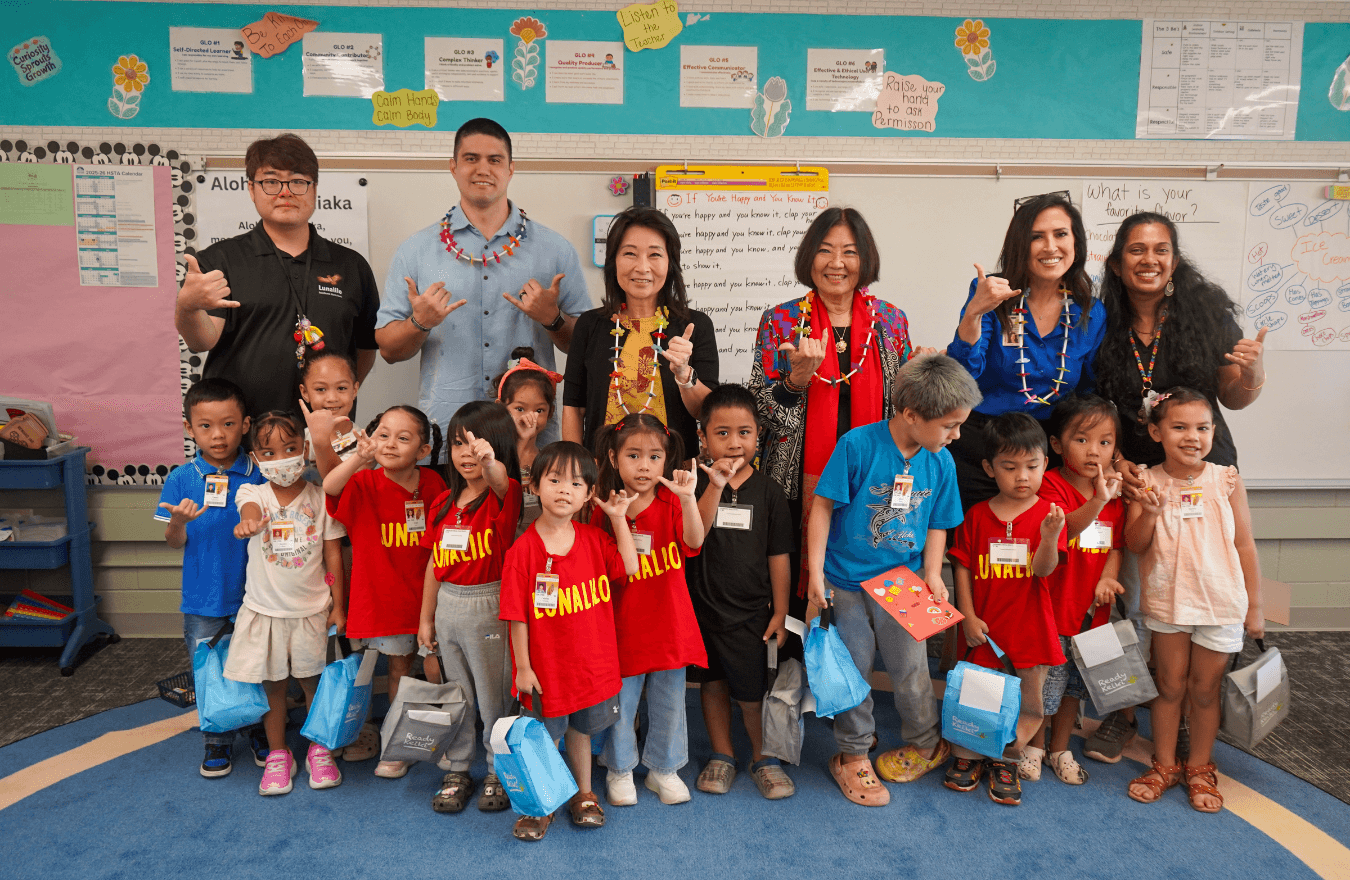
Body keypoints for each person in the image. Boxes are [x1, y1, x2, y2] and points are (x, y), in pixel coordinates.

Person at [1086, 212, 1267, 764]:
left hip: (1202, 477)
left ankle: (1188, 717)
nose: (1149, 260)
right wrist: (1118, 462)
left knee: (1200, 597)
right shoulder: (1098, 321)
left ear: (1175, 259)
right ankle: (1123, 712)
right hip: (1131, 481)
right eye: (1136, 250)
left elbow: (1234, 397)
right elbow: (1089, 406)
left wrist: (1253, 373)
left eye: (1161, 249)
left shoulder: (1205, 313)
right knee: (1132, 605)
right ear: (1117, 264)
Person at [805, 354, 979, 806]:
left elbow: (940, 521)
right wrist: (815, 575)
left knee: (912, 669)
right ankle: (852, 754)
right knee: (853, 671)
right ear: (910, 415)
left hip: (904, 582)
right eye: (949, 425)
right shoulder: (858, 446)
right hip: (844, 581)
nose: (957, 435)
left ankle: (925, 742)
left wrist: (933, 574)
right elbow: (822, 508)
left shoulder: (941, 462)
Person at [375, 118, 590, 452]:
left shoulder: (555, 250)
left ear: (511, 168)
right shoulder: (416, 251)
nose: (482, 169)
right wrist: (419, 324)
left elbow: (586, 348)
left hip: (529, 441)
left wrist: (553, 319)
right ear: (453, 166)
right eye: (471, 158)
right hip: (447, 436)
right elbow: (388, 350)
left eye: (495, 160)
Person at [748, 207, 915, 620]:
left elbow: (907, 406)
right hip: (796, 474)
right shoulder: (781, 320)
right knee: (793, 567)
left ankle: (857, 663)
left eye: (849, 252)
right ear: (810, 257)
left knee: (871, 563)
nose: (837, 263)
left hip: (876, 472)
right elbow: (758, 411)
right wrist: (794, 382)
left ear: (865, 260)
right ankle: (796, 663)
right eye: (825, 250)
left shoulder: (890, 321)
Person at [1122, 388, 1263, 814]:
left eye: (1202, 428)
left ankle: (1200, 767)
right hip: (1168, 603)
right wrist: (1147, 510)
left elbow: (1245, 545)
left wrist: (1255, 606)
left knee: (1205, 692)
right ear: (1155, 431)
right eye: (1179, 427)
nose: (1192, 437)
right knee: (1168, 687)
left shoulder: (1225, 479)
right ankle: (1164, 764)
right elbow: (1134, 544)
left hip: (1220, 604)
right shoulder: (1145, 480)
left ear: (1213, 432)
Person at [176, 134, 380, 417]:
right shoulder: (220, 260)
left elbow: (365, 348)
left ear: (314, 188)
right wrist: (187, 306)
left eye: (298, 181)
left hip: (325, 437)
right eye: (271, 182)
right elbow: (202, 341)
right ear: (251, 189)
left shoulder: (351, 266)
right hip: (243, 434)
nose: (286, 192)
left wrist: (333, 395)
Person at [499, 442, 640, 841]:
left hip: (591, 667)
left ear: (588, 494)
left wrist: (617, 519)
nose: (564, 489)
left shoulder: (595, 539)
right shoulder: (522, 551)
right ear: (535, 486)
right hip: (547, 670)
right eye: (555, 479)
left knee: (582, 732)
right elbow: (516, 615)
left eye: (576, 483)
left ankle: (584, 793)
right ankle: (540, 804)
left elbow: (630, 566)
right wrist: (524, 667)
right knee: (544, 737)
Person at [946, 192, 1105, 510]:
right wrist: (974, 312)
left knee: (1039, 549)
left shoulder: (1090, 311)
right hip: (982, 447)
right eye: (1037, 237)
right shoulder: (992, 292)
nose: (1050, 247)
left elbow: (1089, 391)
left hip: (1045, 455)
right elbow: (963, 374)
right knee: (977, 547)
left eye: (1060, 234)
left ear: (1076, 243)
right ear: (1020, 244)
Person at [946, 413, 1065, 807]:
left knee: (1030, 702)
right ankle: (969, 756)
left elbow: (1043, 571)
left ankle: (1007, 758)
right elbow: (961, 566)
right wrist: (966, 613)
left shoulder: (1049, 515)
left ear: (1045, 464)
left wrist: (1049, 537)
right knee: (979, 695)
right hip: (987, 627)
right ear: (988, 468)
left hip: (1031, 626)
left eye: (1032, 466)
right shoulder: (977, 515)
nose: (1022, 477)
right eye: (1009, 467)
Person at [322, 405, 446, 779]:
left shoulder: (434, 485)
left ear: (423, 451)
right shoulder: (362, 483)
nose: (390, 444)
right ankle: (394, 743)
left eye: (403, 438)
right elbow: (329, 487)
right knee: (396, 671)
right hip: (382, 599)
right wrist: (359, 459)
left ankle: (437, 739)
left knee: (435, 671)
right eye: (383, 435)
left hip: (429, 599)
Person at [226, 411, 347, 795]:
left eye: (291, 448)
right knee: (273, 687)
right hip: (266, 613)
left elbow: (332, 558)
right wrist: (248, 524)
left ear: (306, 450)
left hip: (311, 612)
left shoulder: (321, 498)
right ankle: (278, 754)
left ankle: (319, 749)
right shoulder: (253, 494)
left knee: (314, 683)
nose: (283, 459)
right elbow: (247, 512)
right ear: (256, 457)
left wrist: (337, 603)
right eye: (270, 451)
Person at [686, 384, 795, 799]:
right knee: (711, 684)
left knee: (752, 693)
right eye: (723, 433)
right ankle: (722, 755)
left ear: (758, 436)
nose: (734, 444)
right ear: (704, 437)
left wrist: (780, 611)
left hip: (751, 613)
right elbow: (694, 535)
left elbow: (778, 556)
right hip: (703, 608)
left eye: (745, 432)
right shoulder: (694, 483)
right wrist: (714, 483)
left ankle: (764, 757)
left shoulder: (769, 492)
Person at [154, 378, 266, 778]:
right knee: (208, 669)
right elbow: (172, 542)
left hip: (255, 593)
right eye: (205, 426)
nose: (218, 435)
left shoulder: (259, 475)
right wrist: (178, 523)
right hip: (202, 596)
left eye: (228, 424)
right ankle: (216, 739)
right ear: (189, 428)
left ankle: (259, 731)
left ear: (246, 424)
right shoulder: (182, 478)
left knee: (255, 664)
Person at [592, 414, 707, 806]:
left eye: (655, 456)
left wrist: (690, 498)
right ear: (613, 457)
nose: (644, 466)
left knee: (670, 699)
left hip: (670, 620)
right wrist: (617, 517)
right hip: (622, 623)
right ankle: (619, 769)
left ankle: (664, 768)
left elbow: (694, 542)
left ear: (667, 459)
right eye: (634, 455)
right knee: (622, 701)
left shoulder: (673, 500)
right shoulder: (604, 507)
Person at [416, 401, 523, 815]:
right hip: (448, 607)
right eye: (459, 443)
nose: (466, 453)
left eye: (476, 444)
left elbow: (498, 479)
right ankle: (458, 767)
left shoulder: (505, 493)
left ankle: (498, 770)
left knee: (494, 697)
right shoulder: (443, 501)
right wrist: (426, 618)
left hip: (489, 604)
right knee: (458, 696)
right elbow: (432, 563)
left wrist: (490, 461)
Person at [563, 207, 717, 459]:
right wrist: (577, 471)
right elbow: (573, 406)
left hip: (673, 474)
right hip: (603, 471)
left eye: (655, 254)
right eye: (630, 254)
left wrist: (684, 374)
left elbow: (706, 412)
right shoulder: (590, 325)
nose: (642, 267)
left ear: (671, 263)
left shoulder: (694, 326)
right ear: (614, 261)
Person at [1026, 395, 1125, 786]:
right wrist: (1099, 500)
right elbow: (1065, 528)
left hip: (1091, 614)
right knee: (1043, 681)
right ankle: (1034, 744)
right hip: (1052, 608)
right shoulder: (1049, 486)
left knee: (1073, 687)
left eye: (1105, 442)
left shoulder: (1114, 494)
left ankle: (1059, 748)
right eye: (1082, 440)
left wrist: (1107, 578)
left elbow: (1115, 546)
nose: (1095, 452)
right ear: (1056, 444)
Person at [493, 346, 561, 533]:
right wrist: (523, 441)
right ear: (501, 408)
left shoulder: (550, 462)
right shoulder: (492, 458)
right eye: (520, 409)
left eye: (539, 410)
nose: (529, 417)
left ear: (550, 413)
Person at [297, 351, 363, 482]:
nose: (332, 398)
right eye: (321, 389)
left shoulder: (365, 444)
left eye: (341, 388)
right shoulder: (297, 440)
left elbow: (340, 486)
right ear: (305, 392)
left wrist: (321, 442)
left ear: (354, 390)